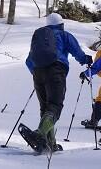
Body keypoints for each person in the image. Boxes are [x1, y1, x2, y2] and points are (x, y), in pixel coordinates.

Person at [25, 13, 92, 151]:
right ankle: (40, 133)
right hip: (56, 71)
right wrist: (86, 59)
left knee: (45, 108)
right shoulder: (64, 35)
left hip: (38, 73)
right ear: (61, 24)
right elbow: (77, 53)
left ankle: (50, 143)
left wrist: (37, 72)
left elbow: (28, 61)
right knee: (55, 106)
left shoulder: (41, 38)